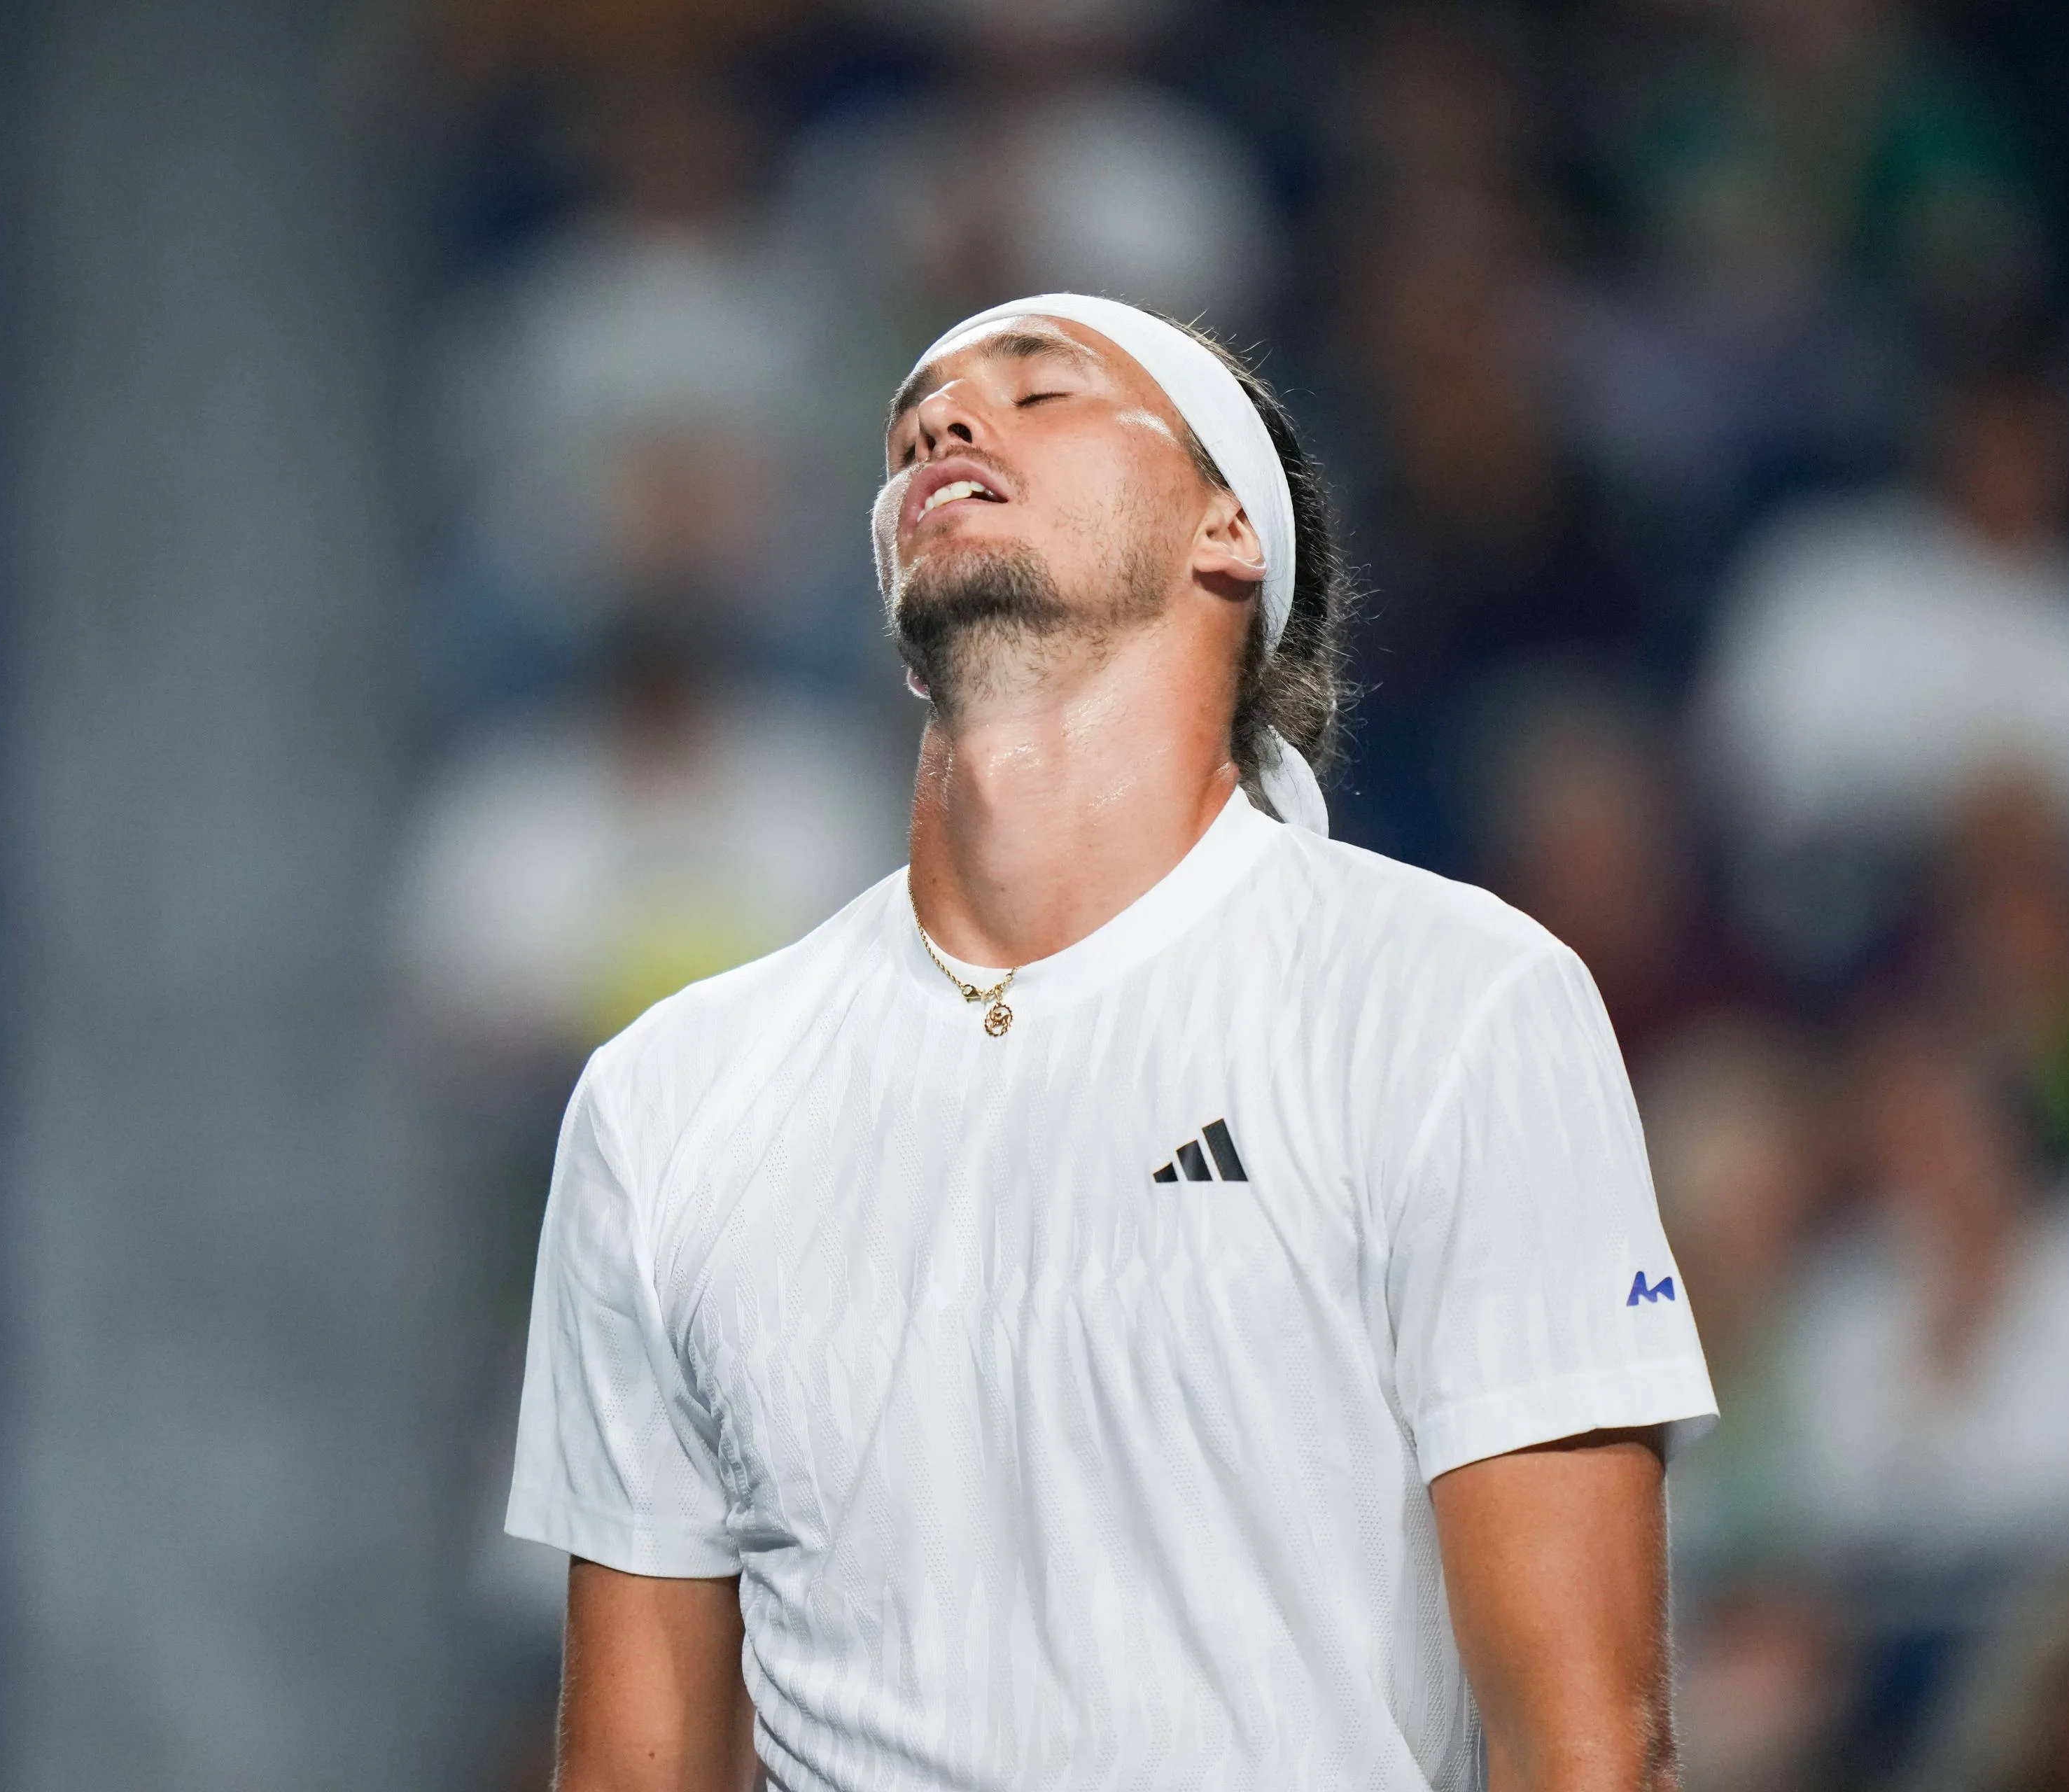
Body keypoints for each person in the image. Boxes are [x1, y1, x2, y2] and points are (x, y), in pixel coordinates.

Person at [504, 294, 1718, 1788]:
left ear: (1230, 531)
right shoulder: (661, 1100)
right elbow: (638, 1765)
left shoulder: (1454, 1002)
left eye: (1044, 389)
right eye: (914, 425)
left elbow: (1590, 1747)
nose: (946, 424)